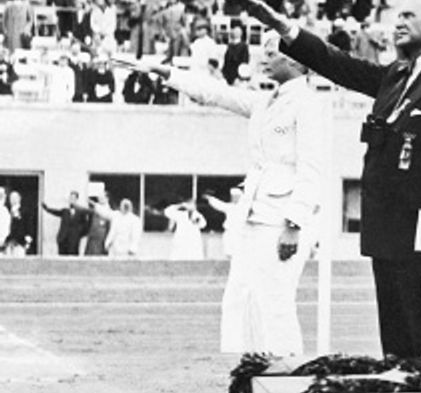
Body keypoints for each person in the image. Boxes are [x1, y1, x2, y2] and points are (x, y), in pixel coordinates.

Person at [233, 0, 421, 360]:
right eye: (396, 17)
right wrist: (282, 27)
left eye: (408, 15)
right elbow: (336, 64)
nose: (397, 24)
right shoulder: (397, 75)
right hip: (387, 229)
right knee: (397, 344)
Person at [117, 32, 323, 357]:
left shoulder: (308, 104)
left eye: (272, 53)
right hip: (254, 213)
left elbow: (312, 168)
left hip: (282, 217)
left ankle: (287, 373)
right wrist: (163, 72)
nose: (263, 58)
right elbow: (215, 93)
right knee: (238, 299)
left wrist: (294, 224)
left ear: (296, 61)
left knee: (276, 302)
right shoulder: (266, 101)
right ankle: (241, 369)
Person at [41, 190, 91, 256]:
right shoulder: (65, 211)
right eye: (70, 198)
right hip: (63, 239)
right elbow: (56, 212)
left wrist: (78, 235)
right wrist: (47, 208)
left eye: (73, 198)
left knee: (72, 257)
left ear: (76, 200)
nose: (71, 200)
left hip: (74, 241)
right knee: (62, 258)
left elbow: (86, 226)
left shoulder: (81, 212)